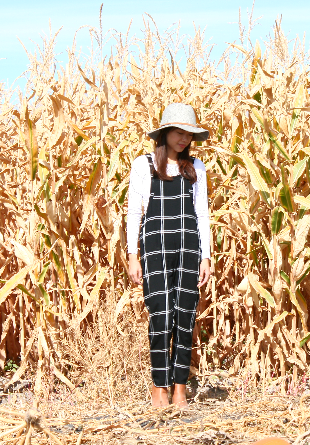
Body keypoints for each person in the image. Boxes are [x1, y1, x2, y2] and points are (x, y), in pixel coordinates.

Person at [126, 103, 212, 408]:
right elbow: (134, 212)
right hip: (155, 248)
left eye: (189, 134)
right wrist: (132, 255)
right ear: (164, 134)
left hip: (189, 249)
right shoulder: (144, 165)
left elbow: (202, 214)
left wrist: (205, 257)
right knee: (161, 316)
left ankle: (179, 388)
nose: (184, 139)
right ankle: (159, 387)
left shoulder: (196, 167)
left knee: (185, 317)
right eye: (178, 132)